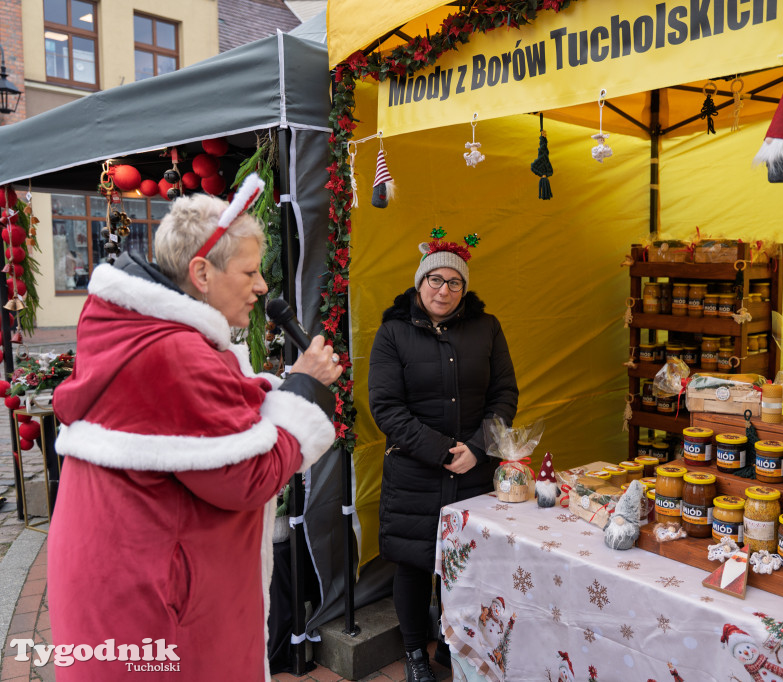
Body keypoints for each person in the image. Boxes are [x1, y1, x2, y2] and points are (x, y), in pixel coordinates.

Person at [48, 180, 342, 680]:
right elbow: (247, 475)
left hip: (120, 585)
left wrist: (279, 390)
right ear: (202, 273)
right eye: (249, 272)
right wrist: (304, 391)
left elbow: (199, 419)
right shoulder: (174, 352)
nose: (261, 286)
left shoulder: (139, 333)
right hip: (158, 606)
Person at [369, 233, 518, 682]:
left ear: (465, 289)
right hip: (415, 470)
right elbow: (386, 408)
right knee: (415, 564)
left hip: (475, 470)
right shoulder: (393, 333)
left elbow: (504, 394)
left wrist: (477, 448)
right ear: (420, 283)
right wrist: (440, 451)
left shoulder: (486, 327)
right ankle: (416, 652)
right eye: (436, 279)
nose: (444, 290)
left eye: (455, 282)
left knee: (467, 565)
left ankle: (457, 646)